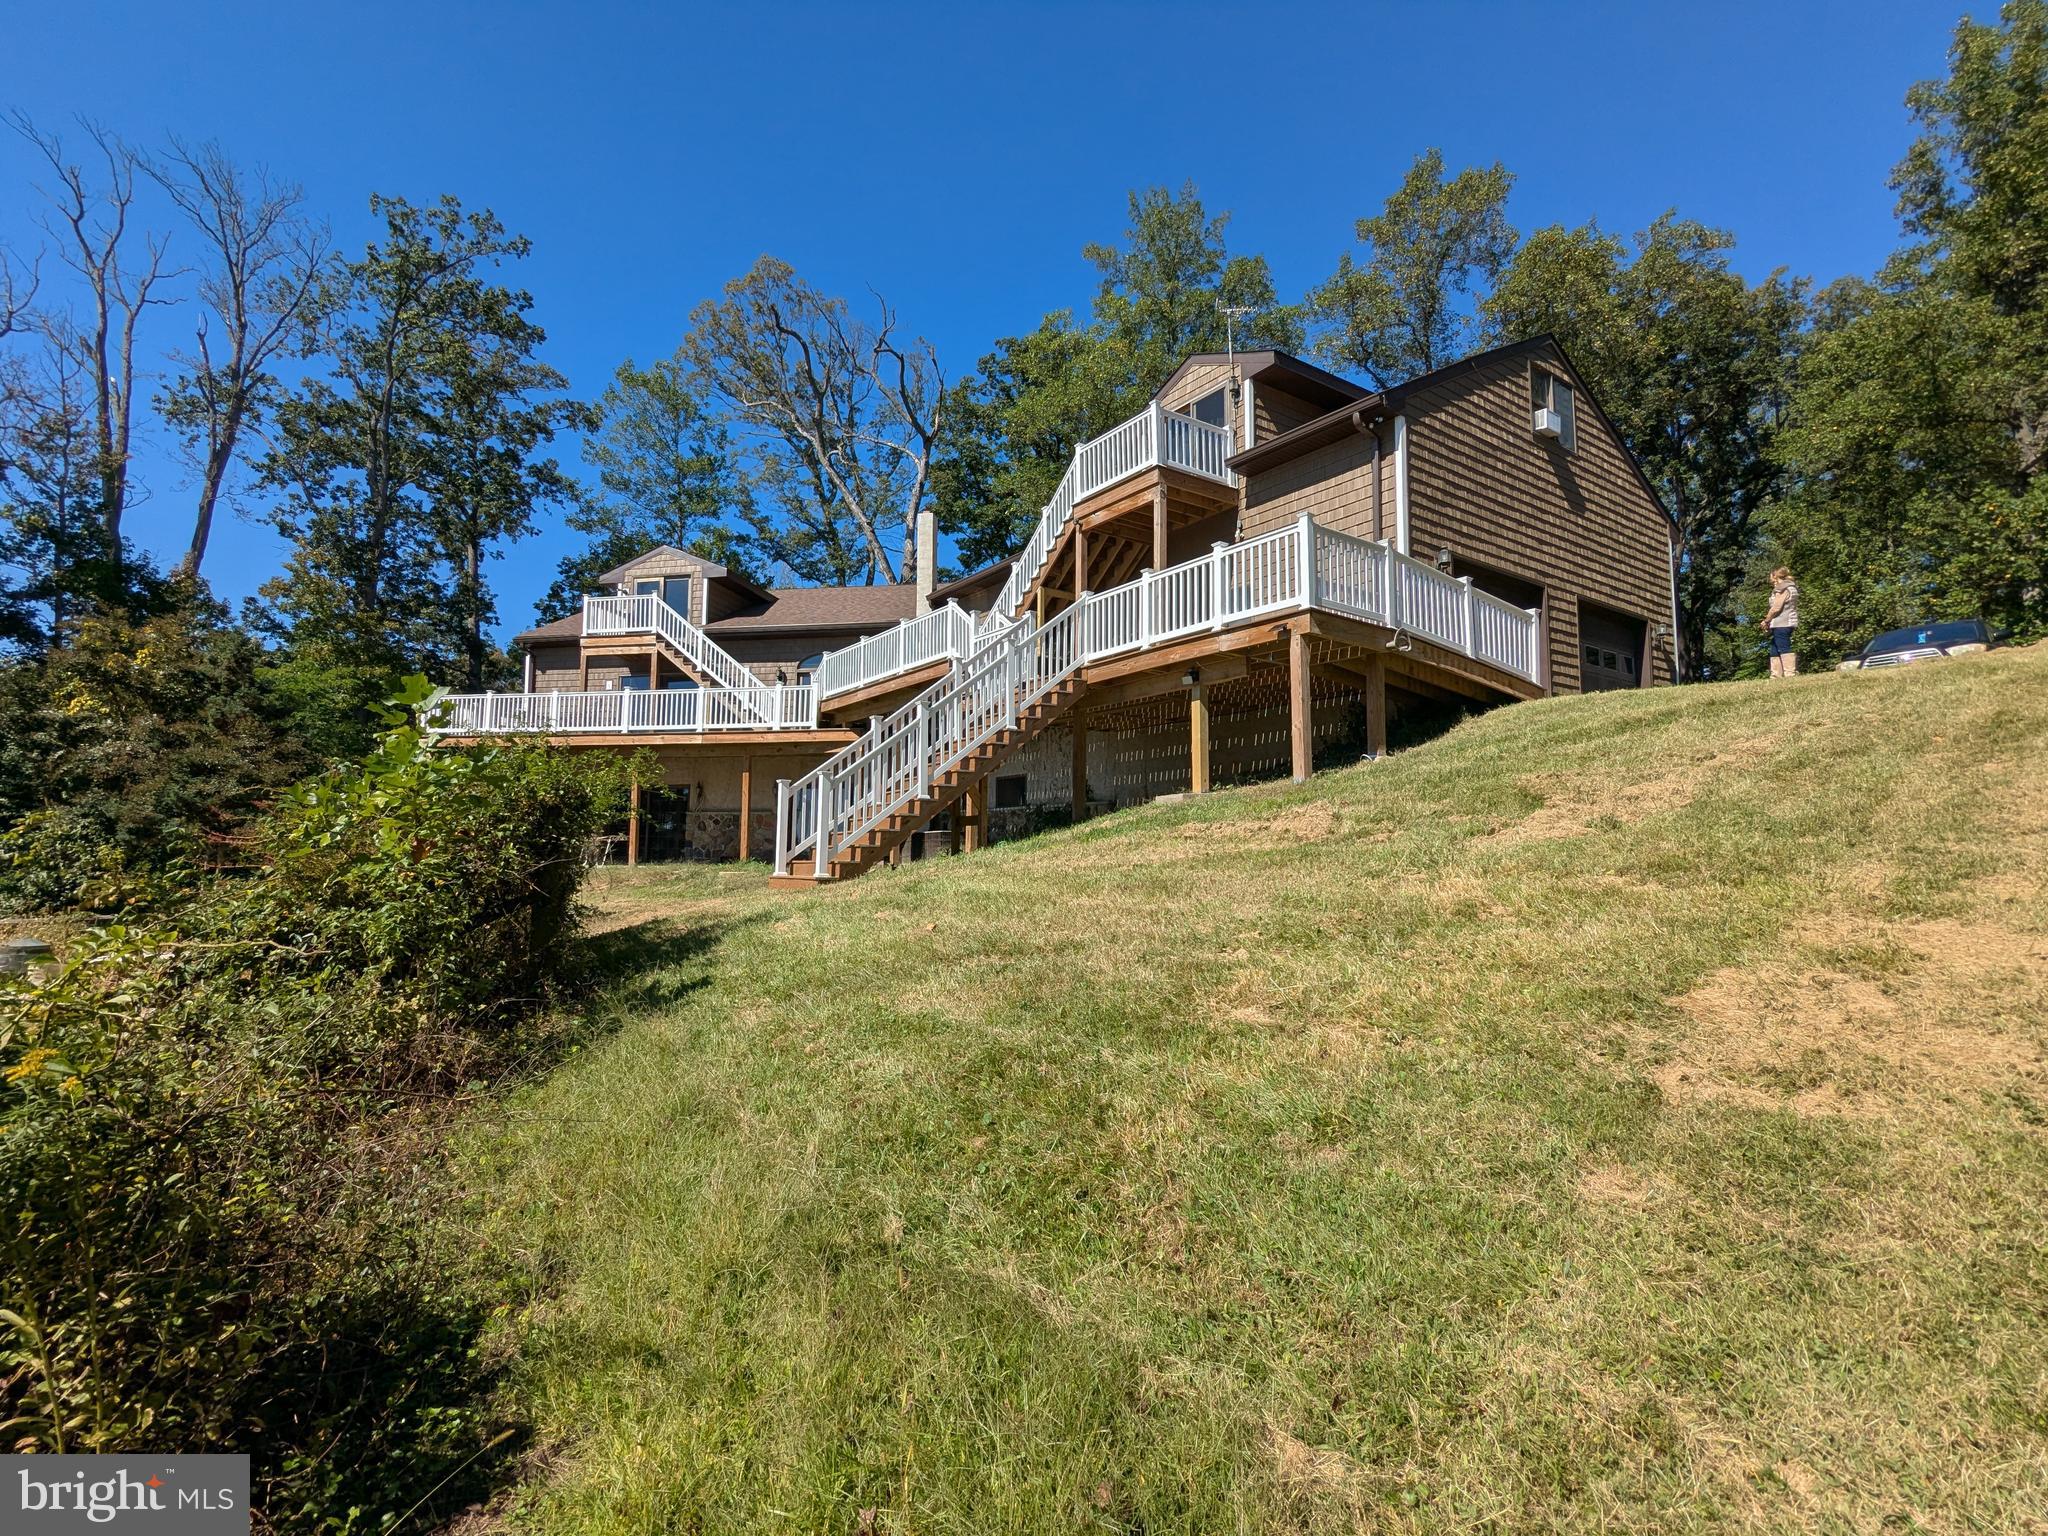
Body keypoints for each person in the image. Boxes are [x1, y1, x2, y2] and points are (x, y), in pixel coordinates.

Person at [1761, 567, 1800, 677]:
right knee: (1774, 649)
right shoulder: (1789, 587)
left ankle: (1789, 674)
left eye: (1770, 577)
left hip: (1782, 623)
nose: (1770, 580)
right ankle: (1775, 675)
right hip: (1782, 622)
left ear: (1775, 576)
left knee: (1784, 647)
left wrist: (1766, 620)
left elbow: (1776, 608)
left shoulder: (1782, 588)